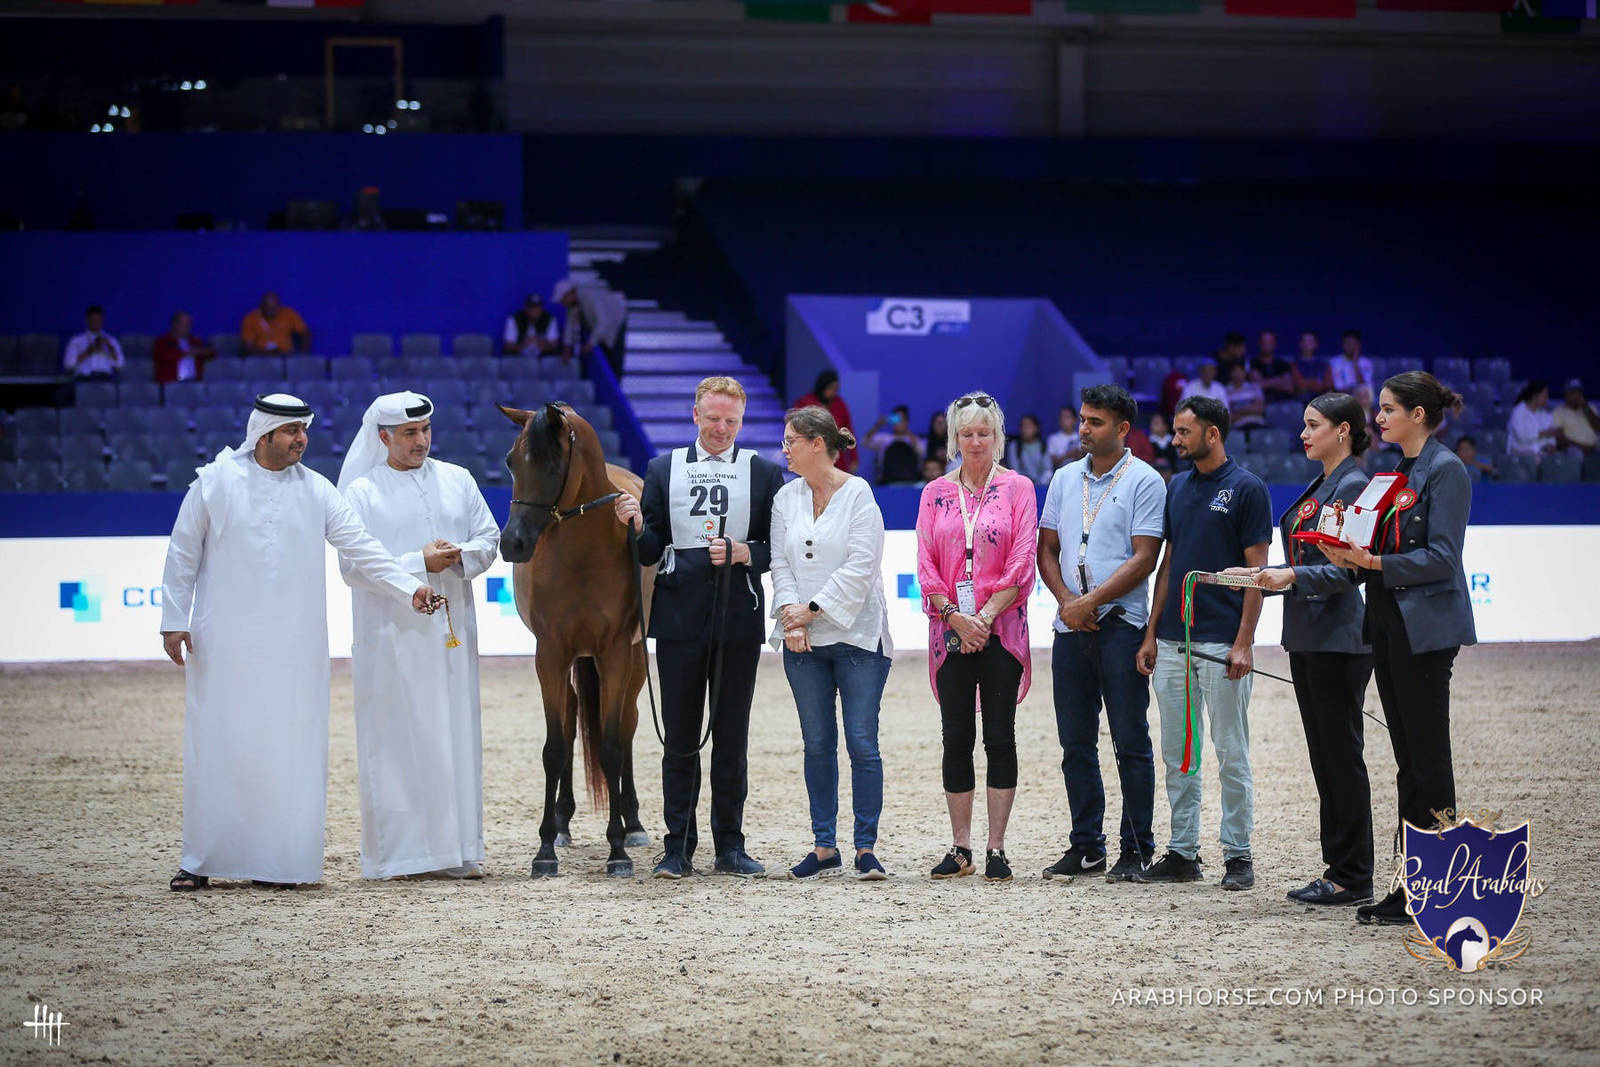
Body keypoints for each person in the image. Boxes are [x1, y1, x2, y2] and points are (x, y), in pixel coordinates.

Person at [161, 394, 436, 891]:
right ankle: (200, 860)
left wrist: (407, 587)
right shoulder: (215, 483)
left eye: (304, 430)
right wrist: (174, 619)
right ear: (263, 435)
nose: (302, 440)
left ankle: (281, 863)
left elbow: (362, 547)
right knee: (218, 744)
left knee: (291, 750)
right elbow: (183, 552)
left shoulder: (318, 490)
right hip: (223, 641)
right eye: (292, 431)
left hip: (296, 646)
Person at [1318, 372, 1476, 926]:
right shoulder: (1396, 473)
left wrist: (1375, 563)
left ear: (1418, 414)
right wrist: (1349, 557)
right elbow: (1377, 547)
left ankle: (1434, 887)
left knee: (1426, 756)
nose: (1379, 418)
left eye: (1388, 409)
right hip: (1386, 621)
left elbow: (1443, 557)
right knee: (1408, 755)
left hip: (1424, 628)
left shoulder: (1445, 469)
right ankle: (1411, 884)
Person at [613, 376, 785, 880]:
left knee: (732, 738)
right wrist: (637, 527)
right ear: (695, 416)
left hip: (738, 618)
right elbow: (650, 550)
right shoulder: (662, 469)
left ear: (742, 421)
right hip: (679, 620)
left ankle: (730, 845)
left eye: (731, 420)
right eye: (712, 418)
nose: (721, 428)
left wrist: (746, 552)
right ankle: (677, 847)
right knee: (680, 738)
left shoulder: (763, 472)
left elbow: (779, 549)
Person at [338, 391, 500, 881]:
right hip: (392, 638)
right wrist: (417, 564)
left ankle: (459, 850)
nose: (421, 441)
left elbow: (489, 538)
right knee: (399, 737)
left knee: (455, 732)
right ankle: (403, 856)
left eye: (425, 430)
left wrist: (458, 555)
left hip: (452, 632)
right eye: (409, 433)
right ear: (383, 437)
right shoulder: (362, 492)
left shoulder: (458, 478)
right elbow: (352, 566)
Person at [1237, 392, 1376, 907]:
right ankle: (1341, 867)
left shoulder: (1353, 485)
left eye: (1313, 424)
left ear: (1343, 430)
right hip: (1313, 635)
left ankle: (1352, 873)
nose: (1303, 433)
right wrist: (1258, 575)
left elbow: (1351, 570)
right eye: (1304, 424)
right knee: (1327, 755)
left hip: (1339, 638)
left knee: (1340, 756)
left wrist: (1290, 575)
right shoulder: (1325, 483)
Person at [1135, 396, 1271, 891]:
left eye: (1183, 432)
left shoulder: (1248, 489)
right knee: (1179, 754)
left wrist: (1244, 643)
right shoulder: (1176, 486)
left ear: (1212, 434)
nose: (1175, 440)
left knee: (1231, 752)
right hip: (1173, 641)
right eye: (1175, 431)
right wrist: (1152, 631)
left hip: (1221, 643)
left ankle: (1238, 854)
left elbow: (1258, 574)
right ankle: (1183, 851)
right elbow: (1169, 563)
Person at [1037, 384, 1164, 883]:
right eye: (1083, 419)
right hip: (1070, 626)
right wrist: (1067, 602)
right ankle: (1087, 845)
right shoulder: (1064, 477)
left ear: (1123, 428)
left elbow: (1145, 557)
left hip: (1121, 625)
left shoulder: (1146, 481)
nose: (1084, 429)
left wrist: (1090, 602)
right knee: (1075, 743)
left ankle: (1136, 848)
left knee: (1130, 740)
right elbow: (1046, 549)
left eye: (1095, 422)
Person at [914, 392, 1037, 883]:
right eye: (966, 433)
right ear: (954, 438)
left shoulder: (1019, 488)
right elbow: (926, 564)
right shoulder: (934, 493)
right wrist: (955, 618)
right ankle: (961, 846)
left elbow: (1022, 560)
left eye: (984, 433)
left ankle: (996, 847)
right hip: (950, 632)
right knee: (956, 738)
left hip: (1001, 631)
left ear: (997, 437)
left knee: (1000, 737)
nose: (975, 441)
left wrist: (982, 618)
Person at [769, 405, 893, 881]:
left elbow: (861, 565)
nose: (785, 450)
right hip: (802, 641)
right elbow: (780, 564)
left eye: (791, 442)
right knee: (817, 743)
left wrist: (813, 609)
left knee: (862, 742)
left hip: (858, 636)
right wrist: (792, 618)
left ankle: (865, 848)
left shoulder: (859, 494)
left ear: (817, 444)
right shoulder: (785, 499)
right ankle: (824, 847)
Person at [554, 277, 629, 382]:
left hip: (616, 321)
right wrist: (567, 347)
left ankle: (616, 383)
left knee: (615, 359)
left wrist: (591, 343)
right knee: (605, 358)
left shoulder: (589, 298)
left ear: (570, 294)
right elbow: (570, 326)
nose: (562, 302)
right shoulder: (573, 306)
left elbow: (603, 322)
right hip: (602, 326)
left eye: (563, 299)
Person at [795, 369, 859, 474]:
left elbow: (849, 431)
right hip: (813, 455)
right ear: (823, 386)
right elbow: (796, 429)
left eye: (836, 389)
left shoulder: (839, 404)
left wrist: (854, 458)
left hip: (837, 458)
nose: (833, 392)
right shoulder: (805, 403)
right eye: (831, 388)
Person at [865, 404, 923, 485]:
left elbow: (922, 453)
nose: (898, 423)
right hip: (887, 481)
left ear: (906, 421)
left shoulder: (913, 439)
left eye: (901, 420)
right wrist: (878, 425)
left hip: (910, 481)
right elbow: (865, 442)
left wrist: (907, 432)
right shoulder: (884, 438)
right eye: (896, 419)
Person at [153, 311, 215, 385]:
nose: (188, 327)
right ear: (175, 325)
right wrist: (186, 353)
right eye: (184, 324)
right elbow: (164, 356)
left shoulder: (195, 341)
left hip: (194, 384)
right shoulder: (163, 341)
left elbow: (212, 353)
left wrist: (202, 351)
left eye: (189, 324)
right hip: (170, 383)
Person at [63, 304, 124, 379]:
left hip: (106, 380)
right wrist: (88, 352)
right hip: (83, 379)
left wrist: (110, 348)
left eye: (98, 320)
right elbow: (69, 365)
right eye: (93, 320)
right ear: (87, 320)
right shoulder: (76, 341)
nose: (95, 323)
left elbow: (120, 365)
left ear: (103, 320)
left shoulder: (111, 340)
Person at [241, 291, 310, 355]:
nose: (271, 311)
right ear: (262, 306)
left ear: (279, 306)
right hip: (262, 356)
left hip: (286, 355)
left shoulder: (288, 314)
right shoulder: (251, 319)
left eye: (274, 308)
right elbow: (247, 347)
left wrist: (304, 352)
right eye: (268, 308)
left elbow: (305, 332)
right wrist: (267, 353)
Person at [1506, 381, 1557, 458]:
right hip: (1520, 455)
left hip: (1542, 455)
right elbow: (1522, 436)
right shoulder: (1518, 412)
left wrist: (1551, 445)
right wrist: (1544, 433)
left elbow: (1551, 435)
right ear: (1534, 396)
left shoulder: (1545, 415)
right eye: (1544, 396)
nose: (1547, 400)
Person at [503, 292, 561, 357]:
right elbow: (508, 346)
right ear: (526, 308)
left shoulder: (549, 319)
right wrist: (522, 344)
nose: (535, 310)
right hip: (519, 358)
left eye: (538, 307)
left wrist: (540, 343)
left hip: (542, 358)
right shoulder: (514, 319)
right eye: (532, 307)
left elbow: (554, 345)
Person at [1553, 378, 1600, 455]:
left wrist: (1586, 408)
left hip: (1594, 449)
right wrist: (1582, 447)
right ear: (1566, 394)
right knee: (1575, 453)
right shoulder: (1559, 412)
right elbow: (1560, 439)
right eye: (1573, 392)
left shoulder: (1590, 408)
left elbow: (1598, 428)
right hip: (1574, 451)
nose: (1577, 396)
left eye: (1579, 392)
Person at [1005, 413, 1053, 487]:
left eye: (1028, 426)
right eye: (1022, 426)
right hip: (1021, 486)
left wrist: (1039, 483)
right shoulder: (1015, 446)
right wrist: (1027, 483)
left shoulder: (1043, 446)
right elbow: (1014, 470)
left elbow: (1048, 470)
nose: (1024, 429)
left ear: (1036, 428)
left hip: (1041, 486)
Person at [1224, 362, 1267, 442]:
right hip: (1239, 427)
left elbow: (1260, 410)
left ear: (1245, 373)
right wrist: (1251, 410)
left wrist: (1238, 411)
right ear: (1230, 373)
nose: (1238, 374)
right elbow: (1229, 416)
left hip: (1258, 424)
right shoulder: (1225, 391)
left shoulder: (1254, 387)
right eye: (1235, 371)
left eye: (1240, 370)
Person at [1251, 330, 1297, 402]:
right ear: (1259, 344)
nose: (1267, 345)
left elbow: (1289, 387)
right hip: (1262, 402)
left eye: (1269, 342)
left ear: (1274, 344)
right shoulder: (1253, 364)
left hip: (1284, 402)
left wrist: (1266, 382)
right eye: (1264, 342)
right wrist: (1278, 380)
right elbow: (1257, 386)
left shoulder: (1283, 364)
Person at [1329, 330, 1374, 398]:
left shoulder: (1366, 363)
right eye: (1347, 342)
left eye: (1352, 343)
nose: (1349, 345)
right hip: (1338, 396)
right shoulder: (1334, 362)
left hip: (1359, 398)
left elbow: (1364, 386)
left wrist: (1355, 363)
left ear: (1358, 345)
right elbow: (1331, 386)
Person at [1292, 331, 1332, 399]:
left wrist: (1310, 384)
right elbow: (1299, 385)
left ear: (1316, 344)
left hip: (1320, 399)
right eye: (1305, 341)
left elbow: (1328, 385)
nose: (1307, 344)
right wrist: (1315, 384)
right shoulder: (1294, 364)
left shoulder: (1324, 365)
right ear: (1300, 344)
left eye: (1310, 341)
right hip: (1299, 399)